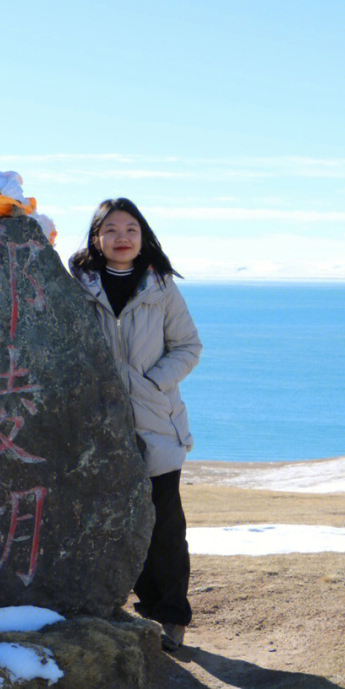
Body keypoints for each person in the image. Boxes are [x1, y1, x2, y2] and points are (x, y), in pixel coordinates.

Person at [70, 197, 202, 651]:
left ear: (143, 236)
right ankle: (112, 608)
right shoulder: (76, 286)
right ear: (96, 238)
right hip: (96, 424)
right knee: (103, 520)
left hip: (156, 422)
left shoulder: (160, 286)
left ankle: (170, 618)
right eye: (110, 230)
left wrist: (150, 383)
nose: (121, 237)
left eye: (130, 229)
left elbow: (188, 347)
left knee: (164, 525)